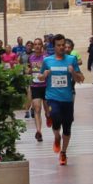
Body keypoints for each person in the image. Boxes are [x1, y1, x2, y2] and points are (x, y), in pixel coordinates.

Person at [38, 33, 84, 166]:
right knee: (55, 116)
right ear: (54, 47)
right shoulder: (47, 61)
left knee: (68, 127)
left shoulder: (71, 60)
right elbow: (40, 77)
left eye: (63, 45)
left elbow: (80, 79)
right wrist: (44, 75)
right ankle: (56, 137)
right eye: (59, 45)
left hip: (67, 99)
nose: (62, 47)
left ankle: (63, 152)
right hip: (52, 97)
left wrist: (73, 72)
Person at [28, 38, 47, 142]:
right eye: (35, 44)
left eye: (39, 44)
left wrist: (45, 73)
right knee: (37, 109)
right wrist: (28, 71)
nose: (37, 46)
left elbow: (50, 70)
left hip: (46, 86)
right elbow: (29, 70)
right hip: (35, 86)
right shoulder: (31, 58)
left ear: (42, 46)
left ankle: (48, 117)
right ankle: (38, 131)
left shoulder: (46, 57)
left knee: (48, 112)